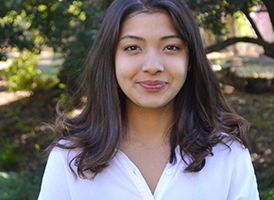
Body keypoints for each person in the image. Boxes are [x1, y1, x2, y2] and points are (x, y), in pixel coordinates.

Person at [38, 0, 260, 199]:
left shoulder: (227, 153)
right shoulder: (70, 157)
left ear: (190, 58)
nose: (153, 66)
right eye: (132, 48)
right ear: (111, 58)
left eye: (171, 47)